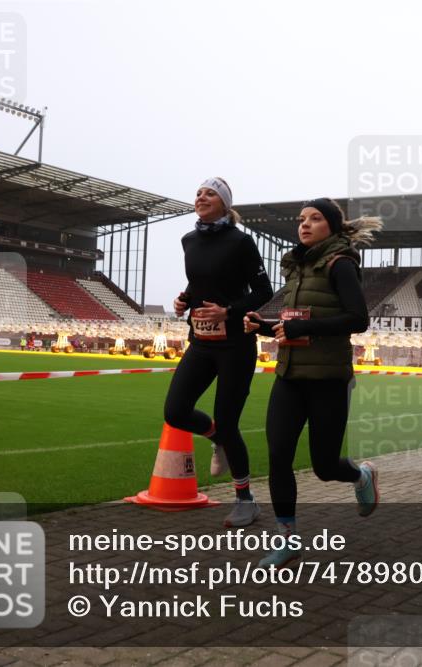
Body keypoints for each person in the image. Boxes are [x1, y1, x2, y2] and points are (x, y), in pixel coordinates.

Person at [244, 198, 381, 568]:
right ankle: (287, 539)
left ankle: (361, 474)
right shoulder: (296, 269)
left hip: (328, 380)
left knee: (324, 466)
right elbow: (294, 324)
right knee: (278, 456)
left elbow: (358, 318)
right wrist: (262, 325)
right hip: (289, 376)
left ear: (332, 227)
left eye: (315, 219)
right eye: (301, 219)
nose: (304, 225)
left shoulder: (341, 264)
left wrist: (300, 327)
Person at [165, 177, 273, 528]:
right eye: (198, 192)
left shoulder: (241, 242)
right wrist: (185, 299)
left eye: (209, 193)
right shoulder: (189, 240)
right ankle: (217, 440)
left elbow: (263, 290)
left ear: (225, 204)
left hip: (235, 345)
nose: (201, 196)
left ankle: (245, 499)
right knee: (175, 411)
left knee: (229, 422)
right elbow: (199, 282)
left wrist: (229, 311)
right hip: (200, 342)